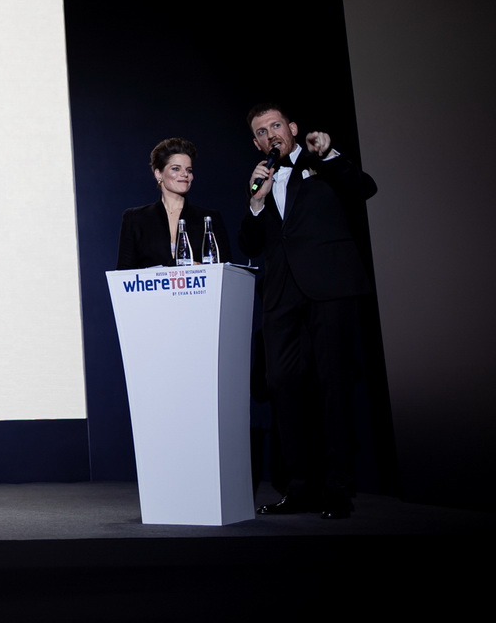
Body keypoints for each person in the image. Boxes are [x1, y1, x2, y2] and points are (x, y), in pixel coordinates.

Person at [239, 103, 375, 520]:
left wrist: (330, 155)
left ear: (293, 128)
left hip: (329, 289)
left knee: (333, 384)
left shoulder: (321, 162)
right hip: (281, 297)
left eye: (276, 126)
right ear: (256, 143)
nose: (270, 135)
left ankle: (337, 488)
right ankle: (299, 488)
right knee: (283, 385)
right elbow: (249, 245)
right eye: (261, 132)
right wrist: (256, 201)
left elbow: (364, 188)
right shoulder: (263, 178)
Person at [117, 137, 231, 269]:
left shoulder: (209, 218)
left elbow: (225, 270)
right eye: (176, 169)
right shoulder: (135, 218)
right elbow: (123, 272)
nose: (185, 174)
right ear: (158, 174)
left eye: (189, 170)